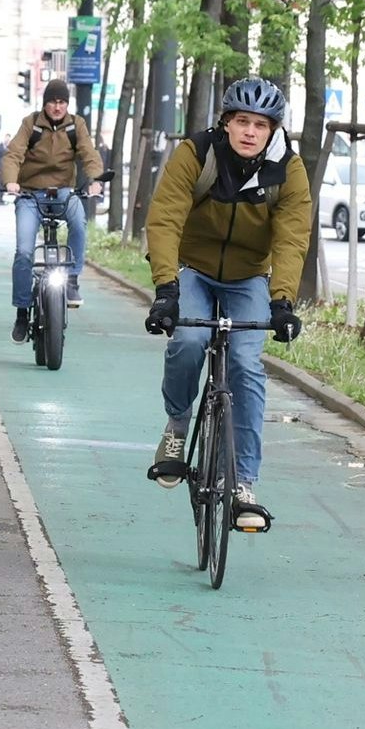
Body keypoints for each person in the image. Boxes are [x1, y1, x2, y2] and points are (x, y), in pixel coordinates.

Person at [143, 76, 309, 532]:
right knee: (190, 341)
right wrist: (166, 291)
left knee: (246, 365)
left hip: (249, 277)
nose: (250, 132)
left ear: (273, 130)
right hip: (194, 269)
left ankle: (244, 485)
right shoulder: (196, 155)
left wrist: (282, 302)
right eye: (242, 122)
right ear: (226, 123)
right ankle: (177, 427)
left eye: (260, 124)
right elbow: (165, 217)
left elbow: (292, 238)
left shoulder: (288, 171)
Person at [0, 78, 99, 338]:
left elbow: (88, 153)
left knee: (78, 220)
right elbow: (14, 154)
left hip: (63, 192)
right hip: (30, 194)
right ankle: (21, 311)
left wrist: (96, 180)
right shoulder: (31, 124)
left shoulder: (77, 125)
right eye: (53, 101)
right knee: (23, 252)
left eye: (62, 102)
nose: (58, 107)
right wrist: (10, 181)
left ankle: (73, 280)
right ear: (45, 104)